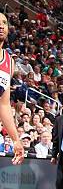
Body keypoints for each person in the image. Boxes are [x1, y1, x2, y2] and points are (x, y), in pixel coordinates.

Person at [0, 13, 24, 165]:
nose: (1, 25)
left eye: (4, 22)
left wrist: (16, 139)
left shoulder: (9, 61)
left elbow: (4, 104)